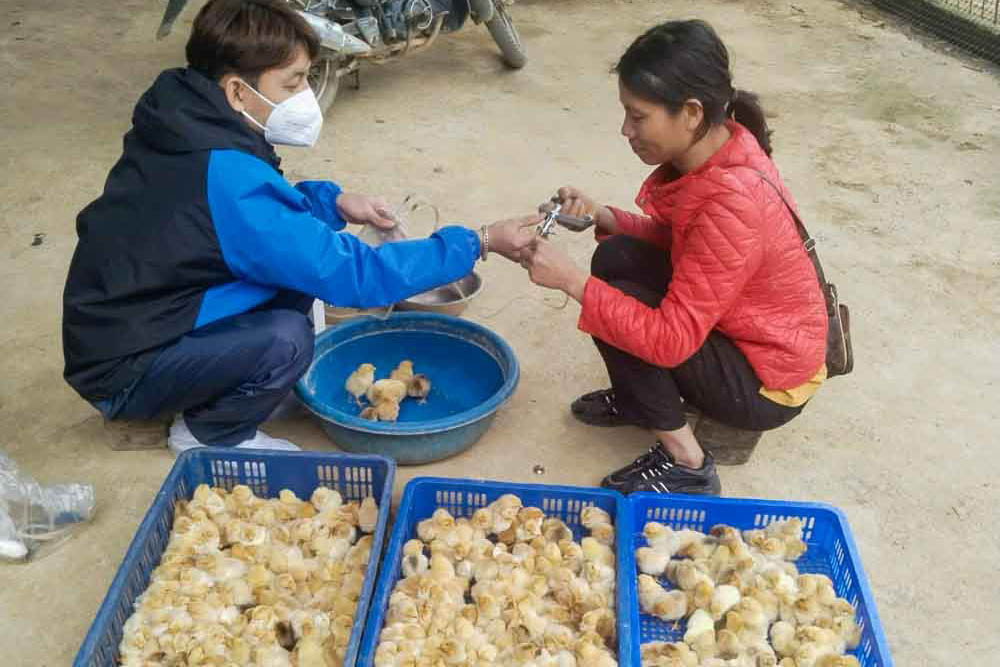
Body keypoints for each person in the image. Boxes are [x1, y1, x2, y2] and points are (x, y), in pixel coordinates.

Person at [62, 0, 536, 455]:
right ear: (237, 92)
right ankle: (209, 432)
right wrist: (479, 240)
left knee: (295, 283)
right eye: (293, 83)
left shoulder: (186, 121)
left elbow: (246, 223)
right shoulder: (227, 177)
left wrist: (334, 203)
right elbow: (356, 275)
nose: (306, 96)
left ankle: (230, 382)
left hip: (133, 325)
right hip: (125, 372)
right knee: (288, 338)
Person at [521, 20, 828, 495]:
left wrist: (570, 281)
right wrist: (604, 215)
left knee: (615, 301)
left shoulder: (731, 201)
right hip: (746, 329)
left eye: (638, 116)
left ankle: (688, 462)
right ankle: (639, 401)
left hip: (766, 379)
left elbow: (669, 341)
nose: (626, 130)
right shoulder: (724, 146)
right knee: (617, 255)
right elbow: (683, 241)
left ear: (690, 112)